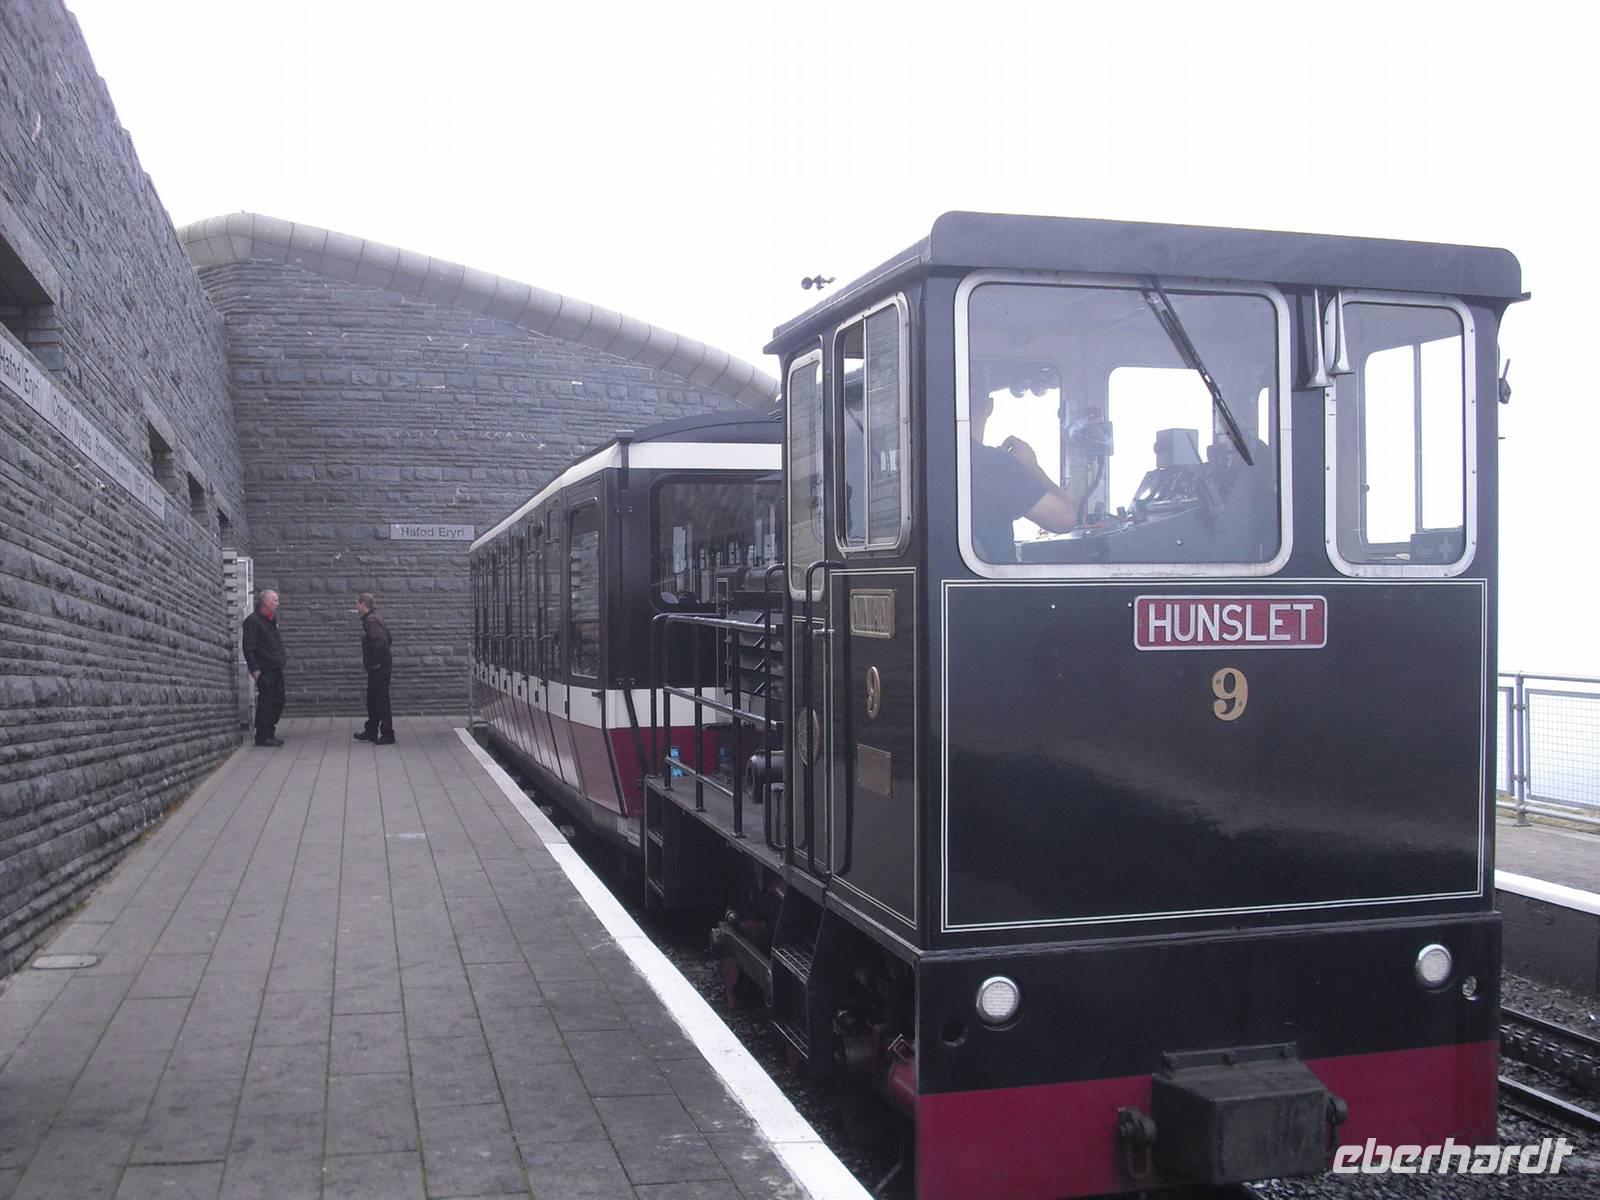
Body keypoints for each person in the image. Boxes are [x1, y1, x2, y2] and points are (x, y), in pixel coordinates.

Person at [969, 389, 1078, 562]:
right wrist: (1032, 468)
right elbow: (1064, 519)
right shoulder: (993, 464)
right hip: (991, 578)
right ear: (989, 406)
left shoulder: (937, 458)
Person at [242, 589, 288, 747]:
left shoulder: (271, 620)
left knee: (278, 700)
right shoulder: (253, 621)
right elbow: (248, 646)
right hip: (264, 668)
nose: (278, 604)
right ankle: (263, 735)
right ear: (266, 602)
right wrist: (254, 668)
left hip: (275, 666)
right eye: (275, 600)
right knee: (266, 701)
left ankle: (269, 730)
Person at [353, 592, 395, 745]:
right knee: (372, 699)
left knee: (380, 699)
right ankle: (371, 730)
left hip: (379, 667)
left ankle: (387, 734)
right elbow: (389, 638)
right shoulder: (375, 618)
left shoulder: (370, 621)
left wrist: (375, 662)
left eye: (357, 603)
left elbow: (381, 641)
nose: (356, 606)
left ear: (363, 604)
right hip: (380, 666)